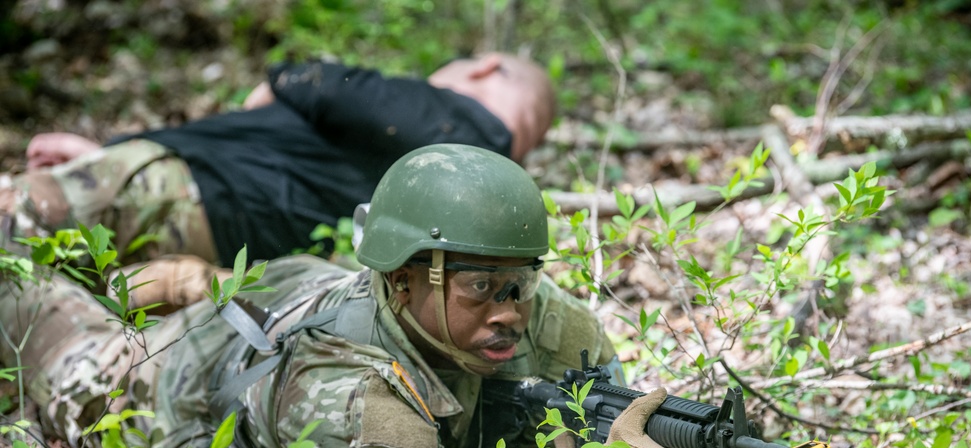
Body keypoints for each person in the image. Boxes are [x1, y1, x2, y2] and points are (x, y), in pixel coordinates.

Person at [0, 144, 713, 448]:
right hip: (164, 382)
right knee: (23, 293)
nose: (509, 311)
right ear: (404, 277)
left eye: (518, 282)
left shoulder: (548, 320)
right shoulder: (341, 383)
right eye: (478, 288)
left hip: (286, 290)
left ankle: (182, 279)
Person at [0, 53, 556, 268]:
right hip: (209, 253)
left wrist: (121, 157)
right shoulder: (480, 197)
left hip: (171, 184)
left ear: (485, 68)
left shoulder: (442, 111)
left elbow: (318, 83)